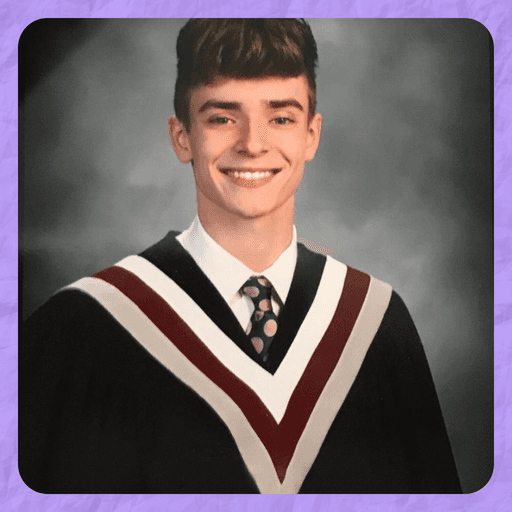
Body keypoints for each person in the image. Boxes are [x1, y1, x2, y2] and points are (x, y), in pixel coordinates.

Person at [19, 18, 462, 494]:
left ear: (311, 135)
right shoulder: (83, 327)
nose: (252, 144)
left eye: (281, 118)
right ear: (182, 136)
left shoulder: (377, 323)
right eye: (222, 118)